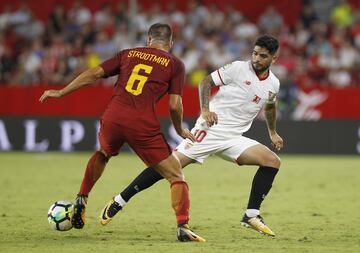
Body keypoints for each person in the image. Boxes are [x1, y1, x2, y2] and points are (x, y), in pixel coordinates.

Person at [102, 35, 284, 237]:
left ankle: (251, 215)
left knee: (271, 161)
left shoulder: (273, 84)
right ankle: (119, 200)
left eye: (263, 56)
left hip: (234, 136)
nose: (257, 59)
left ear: (274, 58)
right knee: (169, 166)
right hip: (210, 130)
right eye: (255, 53)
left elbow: (269, 108)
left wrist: (273, 132)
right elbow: (205, 83)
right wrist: (205, 110)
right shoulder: (238, 68)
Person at [39, 23, 205, 242]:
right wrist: (178, 129)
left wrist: (61, 92)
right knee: (176, 175)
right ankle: (183, 226)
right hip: (142, 123)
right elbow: (175, 105)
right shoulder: (175, 64)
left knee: (103, 153)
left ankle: (82, 196)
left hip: (113, 116)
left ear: (148, 40)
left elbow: (93, 74)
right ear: (171, 43)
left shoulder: (128, 54)